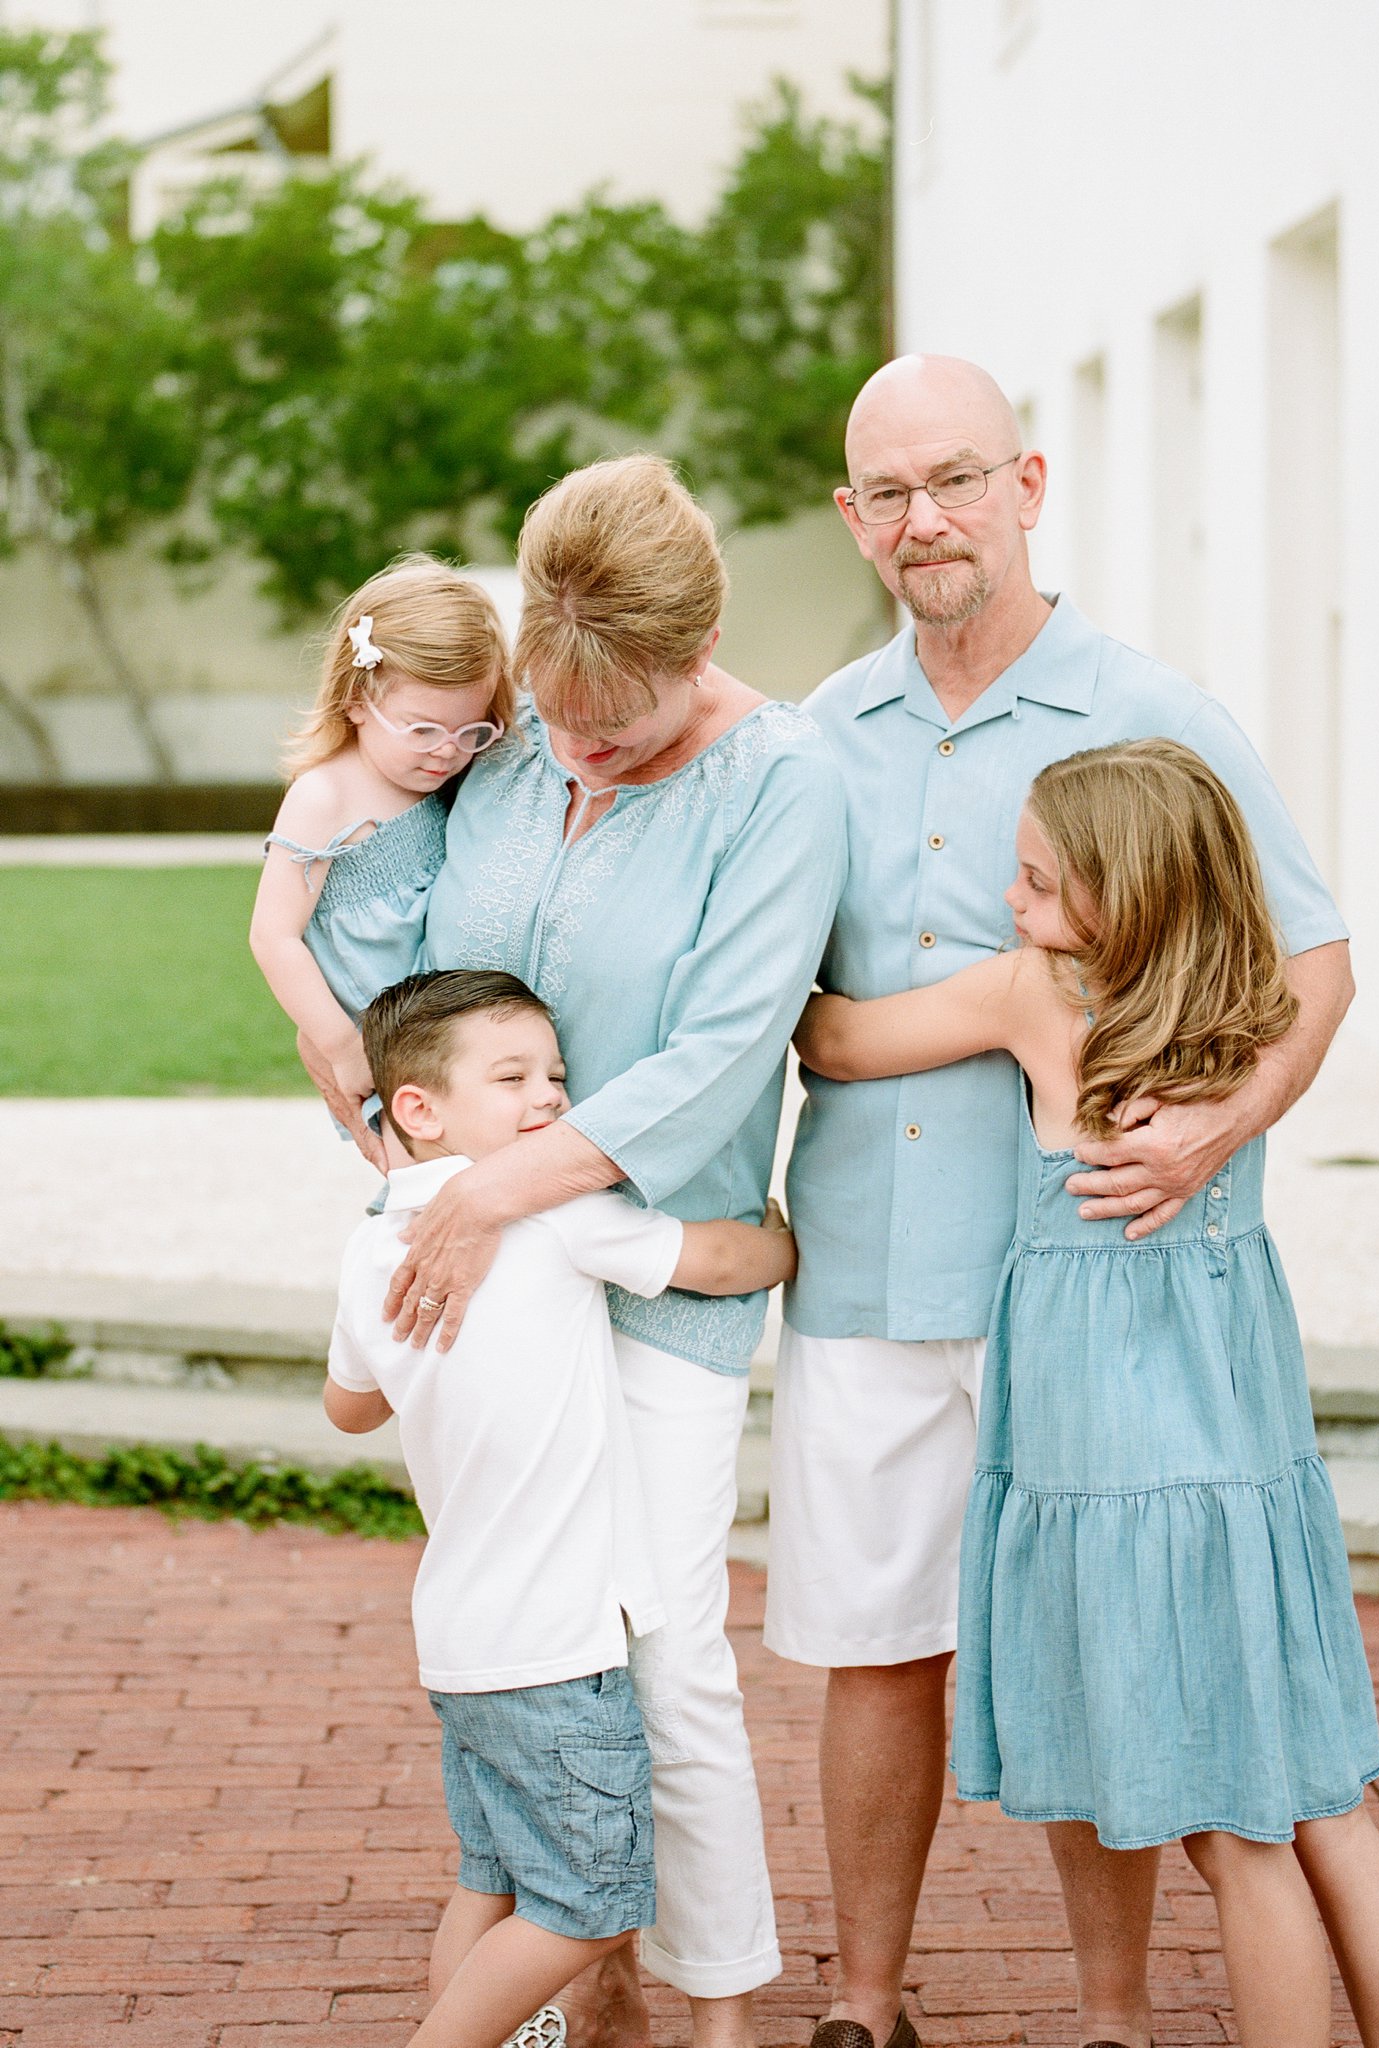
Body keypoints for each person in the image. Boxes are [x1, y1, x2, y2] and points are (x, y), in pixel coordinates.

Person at [769, 355, 1355, 2048]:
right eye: (887, 490)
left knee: (1102, 1648)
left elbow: (1312, 964)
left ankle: (1109, 2014)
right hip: (876, 1268)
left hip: (1096, 1273)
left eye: (954, 477)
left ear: (1028, 485)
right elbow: (787, 993)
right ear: (851, 515)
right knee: (874, 1649)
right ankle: (865, 2004)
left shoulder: (1152, 711)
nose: (922, 517)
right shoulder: (821, 735)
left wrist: (1210, 1137)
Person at [794, 740, 1379, 2048]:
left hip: (1128, 1466)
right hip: (1246, 1457)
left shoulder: (1046, 995)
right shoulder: (1252, 1002)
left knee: (1238, 1833)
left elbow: (848, 1041)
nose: (1012, 904)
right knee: (1326, 1804)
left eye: (1036, 883)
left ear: (1121, 895)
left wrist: (766, 939)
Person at [314, 456, 847, 2048]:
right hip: (485, 1293)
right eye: (550, 708)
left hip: (649, 1272)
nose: (575, 743)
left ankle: (719, 2011)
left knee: (666, 1653)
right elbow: (392, 946)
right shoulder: (515, 734)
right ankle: (578, 1983)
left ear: (695, 652)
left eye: (611, 717)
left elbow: (725, 1048)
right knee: (534, 1652)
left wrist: (505, 1190)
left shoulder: (781, 779)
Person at [323, 969, 798, 2048]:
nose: (550, 1096)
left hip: (457, 1636)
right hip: (554, 1643)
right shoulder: (558, 1216)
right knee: (589, 1901)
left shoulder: (368, 1248)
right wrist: (781, 1241)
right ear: (419, 1107)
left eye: (557, 1073)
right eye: (514, 1077)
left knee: (491, 1879)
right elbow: (708, 1260)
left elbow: (348, 1405)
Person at [251, 555, 511, 1130]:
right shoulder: (324, 797)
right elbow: (273, 936)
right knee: (418, 1183)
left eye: (471, 730)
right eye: (423, 729)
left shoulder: (448, 781)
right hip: (377, 1047)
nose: (447, 750)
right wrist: (341, 1047)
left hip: (453, 1032)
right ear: (356, 700)